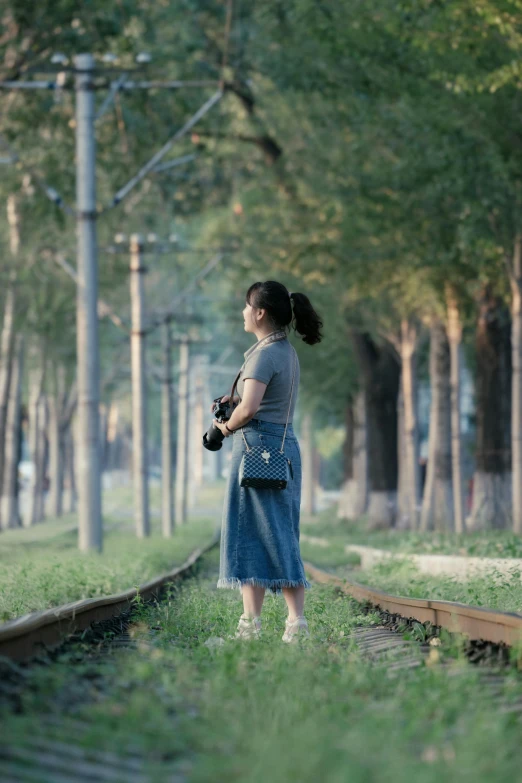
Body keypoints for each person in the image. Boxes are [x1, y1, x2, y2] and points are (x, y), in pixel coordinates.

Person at [212, 280, 323, 643]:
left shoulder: (263, 355)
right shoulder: (283, 351)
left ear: (260, 312)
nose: (243, 312)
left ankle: (271, 625)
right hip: (280, 448)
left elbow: (250, 408)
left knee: (257, 533)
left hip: (257, 450)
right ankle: (282, 624)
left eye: (247, 306)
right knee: (276, 533)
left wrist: (223, 429)